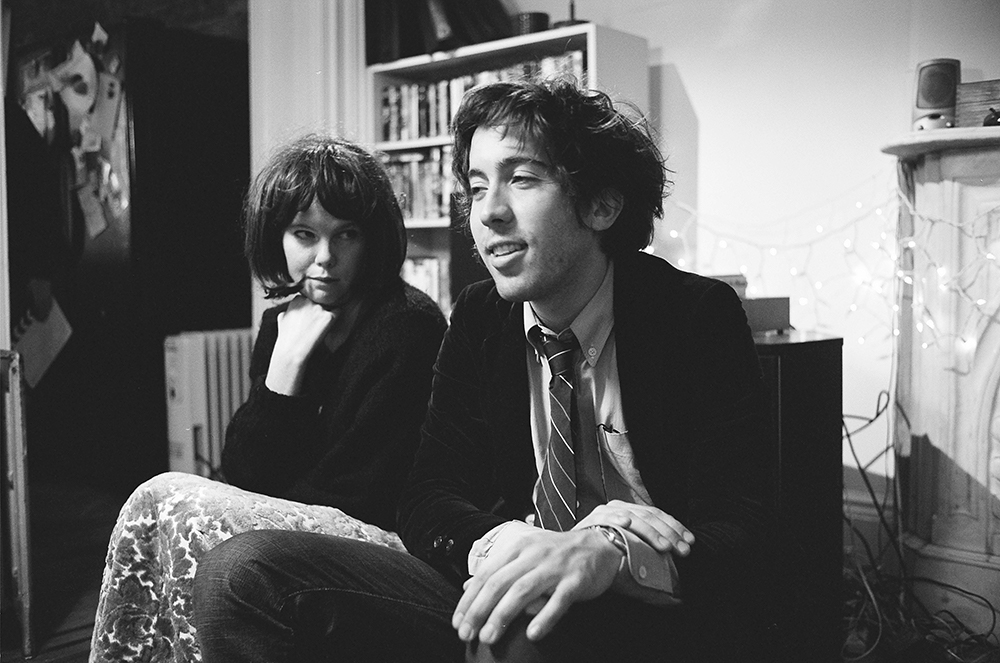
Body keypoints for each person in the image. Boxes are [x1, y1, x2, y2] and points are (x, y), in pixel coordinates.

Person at [192, 78, 774, 663]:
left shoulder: (694, 316)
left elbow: (743, 526)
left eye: (522, 179)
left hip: (637, 602)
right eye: (476, 187)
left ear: (601, 204)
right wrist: (511, 544)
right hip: (497, 572)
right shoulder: (479, 315)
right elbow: (427, 495)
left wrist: (610, 551)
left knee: (517, 632)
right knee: (240, 572)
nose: (488, 212)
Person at [89, 134, 448, 663]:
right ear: (277, 236)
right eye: (305, 234)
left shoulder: (408, 327)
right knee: (159, 504)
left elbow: (360, 491)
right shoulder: (282, 326)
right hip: (299, 526)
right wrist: (285, 368)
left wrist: (266, 490)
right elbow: (245, 470)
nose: (325, 258)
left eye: (346, 235)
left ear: (370, 240)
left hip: (382, 545)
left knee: (167, 497)